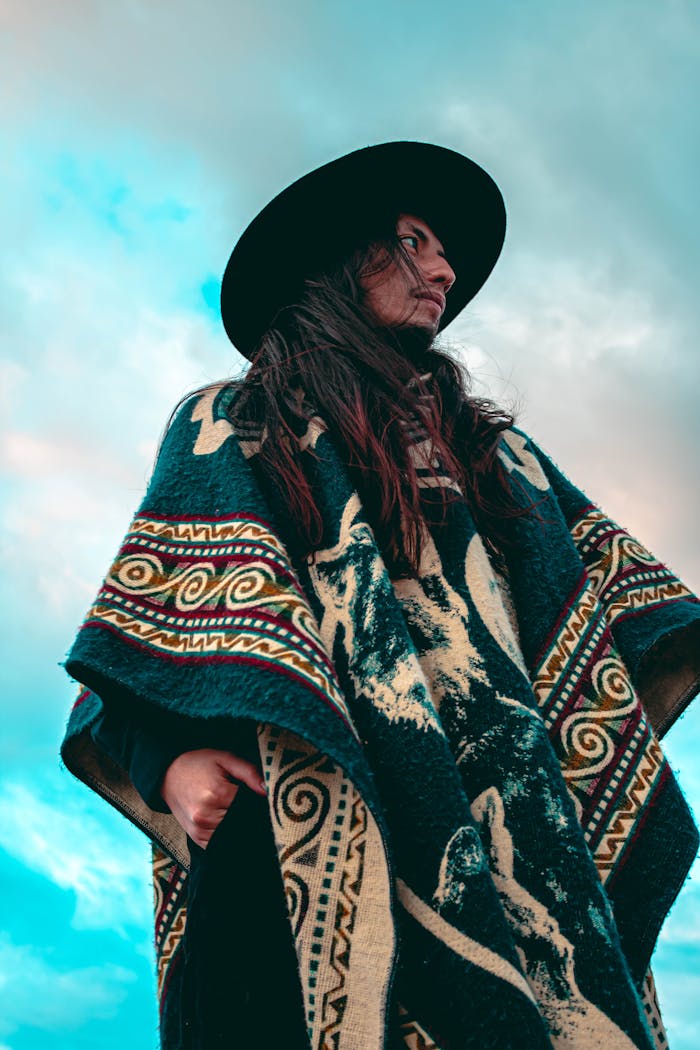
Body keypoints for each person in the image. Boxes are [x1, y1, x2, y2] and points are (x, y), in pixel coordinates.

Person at [61, 142, 700, 1049]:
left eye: (443, 251)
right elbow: (140, 640)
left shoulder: (499, 456)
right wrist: (169, 762)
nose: (443, 270)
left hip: (514, 840)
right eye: (412, 241)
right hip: (300, 838)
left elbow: (620, 619)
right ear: (336, 255)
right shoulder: (233, 421)